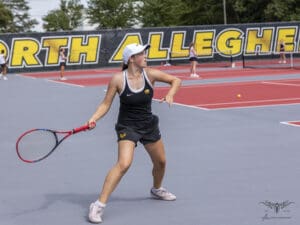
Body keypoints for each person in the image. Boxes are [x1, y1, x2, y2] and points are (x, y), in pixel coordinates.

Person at [87, 43, 181, 223]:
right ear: (131, 59)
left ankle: (156, 189)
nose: (145, 56)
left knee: (161, 162)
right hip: (127, 127)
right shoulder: (118, 79)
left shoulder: (150, 74)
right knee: (124, 163)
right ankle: (98, 205)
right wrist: (93, 118)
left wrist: (171, 94)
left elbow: (176, 80)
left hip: (148, 125)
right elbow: (106, 104)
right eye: (142, 54)